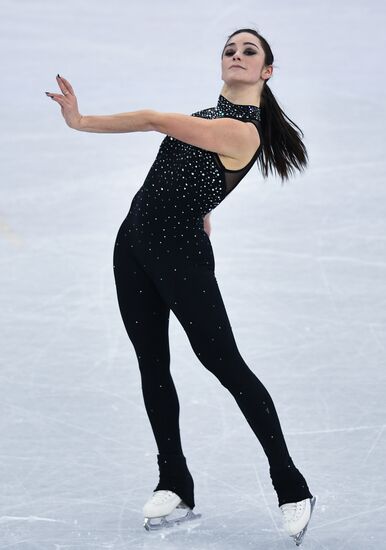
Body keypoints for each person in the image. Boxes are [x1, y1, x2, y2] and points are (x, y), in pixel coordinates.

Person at [45, 27, 316, 545]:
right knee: (152, 365)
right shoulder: (210, 117)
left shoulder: (246, 131)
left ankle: (291, 485)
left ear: (267, 72)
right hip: (132, 248)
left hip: (181, 261)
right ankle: (175, 481)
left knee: (226, 365)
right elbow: (190, 172)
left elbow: (151, 120)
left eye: (249, 51)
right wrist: (205, 208)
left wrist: (80, 122)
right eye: (229, 50)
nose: (236, 55)